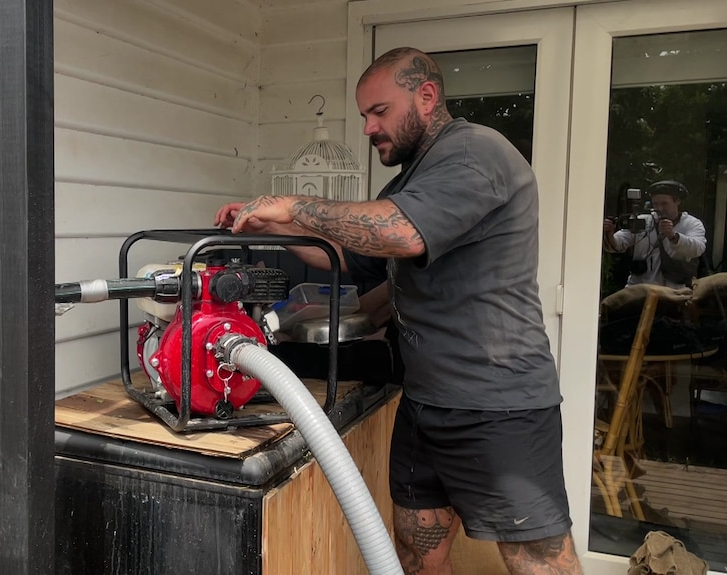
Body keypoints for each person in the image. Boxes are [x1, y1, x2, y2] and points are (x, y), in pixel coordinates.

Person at [214, 47, 582, 575]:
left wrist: (294, 204)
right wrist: (273, 228)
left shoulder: (475, 153)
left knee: (540, 564)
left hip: (498, 406)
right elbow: (353, 256)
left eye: (379, 111)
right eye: (365, 115)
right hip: (427, 402)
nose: (367, 127)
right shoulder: (411, 180)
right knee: (414, 549)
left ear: (426, 96)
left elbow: (401, 232)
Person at [603, 181, 706, 289]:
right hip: (640, 289)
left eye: (664, 203)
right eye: (656, 204)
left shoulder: (691, 223)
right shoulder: (643, 221)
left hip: (675, 292)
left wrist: (673, 236)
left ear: (677, 201)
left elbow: (698, 249)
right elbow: (616, 246)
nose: (660, 208)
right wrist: (609, 233)